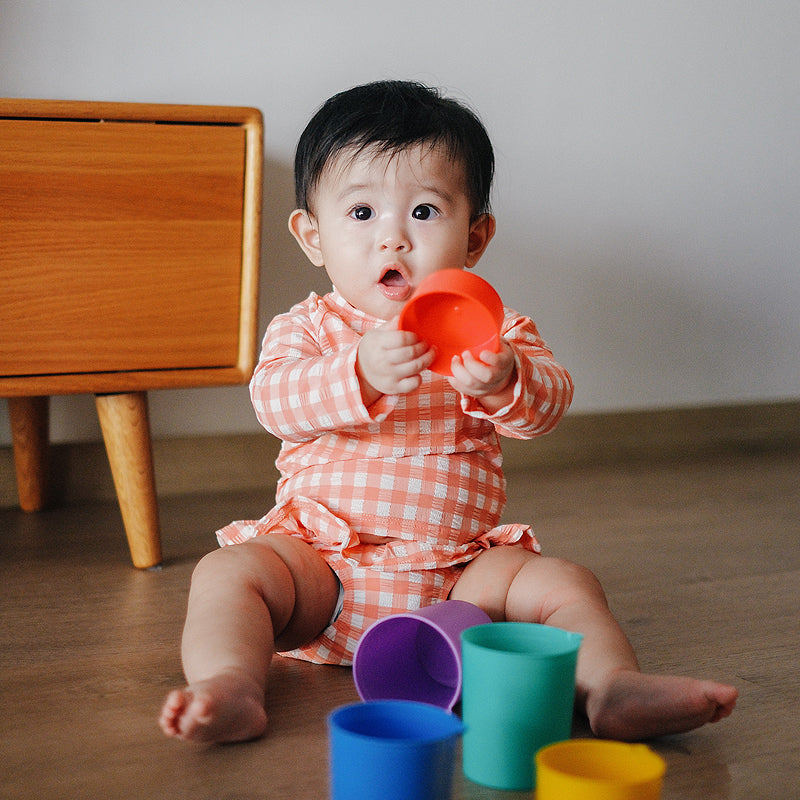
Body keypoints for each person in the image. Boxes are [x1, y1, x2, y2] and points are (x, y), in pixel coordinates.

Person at [159, 80, 737, 744]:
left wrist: (506, 380)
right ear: (311, 235)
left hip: (461, 578)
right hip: (323, 569)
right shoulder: (310, 327)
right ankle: (228, 684)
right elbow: (273, 400)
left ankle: (611, 687)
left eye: (426, 212)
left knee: (563, 582)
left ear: (476, 237)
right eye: (362, 214)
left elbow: (547, 406)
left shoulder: (495, 330)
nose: (393, 241)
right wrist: (359, 372)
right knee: (229, 572)